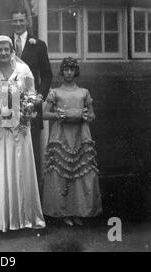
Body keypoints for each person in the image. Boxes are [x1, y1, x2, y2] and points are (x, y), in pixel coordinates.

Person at [0, 35, 46, 232]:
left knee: (20, 167)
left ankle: (24, 214)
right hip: (0, 126)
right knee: (1, 166)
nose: (3, 53)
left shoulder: (23, 70)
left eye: (6, 49)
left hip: (20, 128)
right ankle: (2, 215)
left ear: (12, 50)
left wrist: (25, 109)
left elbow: (32, 95)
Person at [42, 57, 102, 226]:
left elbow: (92, 115)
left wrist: (85, 116)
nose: (69, 72)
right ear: (62, 72)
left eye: (72, 69)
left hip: (80, 134)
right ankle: (64, 212)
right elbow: (45, 114)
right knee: (62, 171)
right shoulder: (55, 92)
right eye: (66, 69)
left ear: (76, 71)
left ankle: (78, 211)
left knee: (79, 171)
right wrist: (59, 115)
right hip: (61, 135)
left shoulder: (84, 92)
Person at [10, 7, 53, 190]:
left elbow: (47, 75)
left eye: (21, 20)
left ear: (27, 21)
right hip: (8, 106)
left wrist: (39, 96)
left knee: (32, 150)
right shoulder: (5, 44)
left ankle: (32, 195)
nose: (18, 24)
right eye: (15, 21)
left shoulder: (38, 45)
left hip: (30, 106)